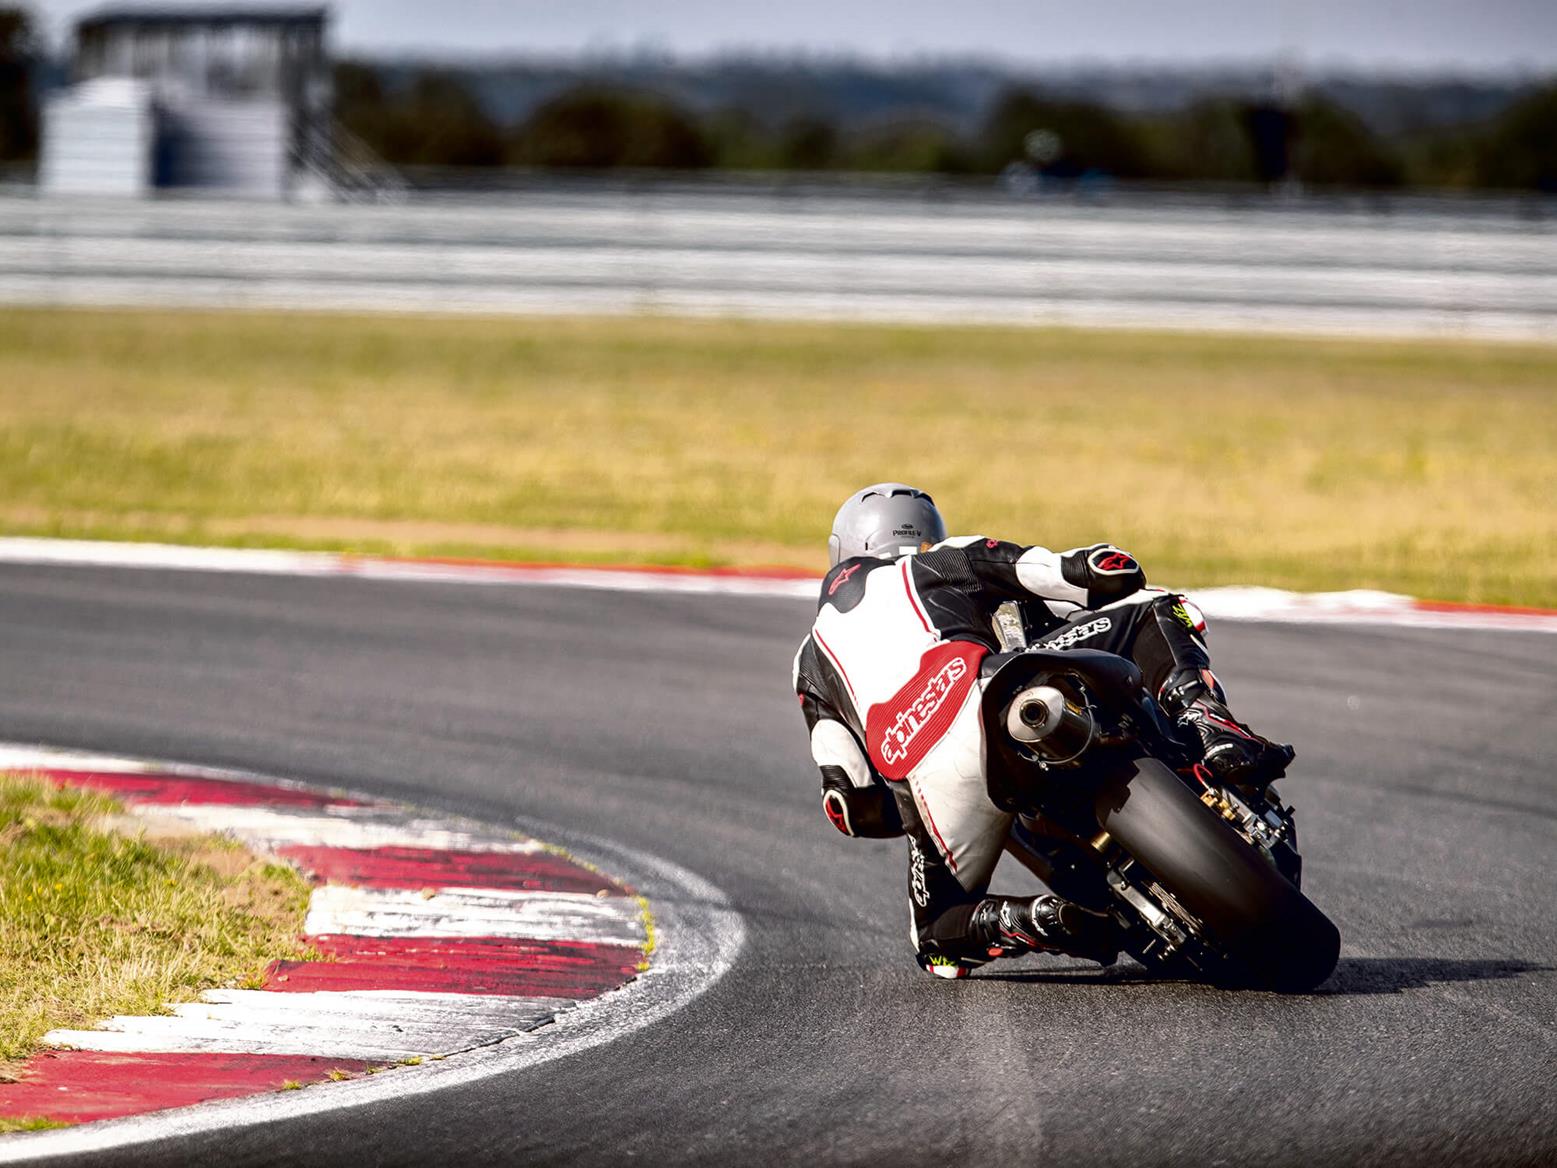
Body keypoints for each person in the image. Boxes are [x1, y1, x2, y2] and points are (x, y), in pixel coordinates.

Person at [792, 482, 1294, 979]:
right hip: (989, 688)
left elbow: (851, 805)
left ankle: (1025, 919)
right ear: (925, 534)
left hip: (932, 788)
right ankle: (1208, 721)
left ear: (843, 550)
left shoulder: (809, 662)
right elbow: (1067, 572)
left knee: (935, 942)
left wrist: (908, 798)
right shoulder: (941, 558)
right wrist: (1103, 566)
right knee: (1157, 607)